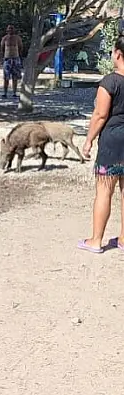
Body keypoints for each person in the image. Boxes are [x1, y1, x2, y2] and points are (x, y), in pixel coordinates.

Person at [80, 36, 124, 254]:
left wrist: (88, 140)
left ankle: (96, 240)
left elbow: (100, 114)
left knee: (104, 191)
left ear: (117, 54)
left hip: (113, 141)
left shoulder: (110, 82)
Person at [0, 24, 23, 99]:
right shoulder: (4, 38)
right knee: (6, 77)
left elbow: (20, 47)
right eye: (9, 29)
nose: (10, 30)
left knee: (15, 77)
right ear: (7, 30)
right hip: (7, 59)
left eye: (12, 29)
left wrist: (18, 56)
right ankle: (5, 93)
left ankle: (14, 93)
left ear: (14, 30)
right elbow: (2, 48)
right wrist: (4, 56)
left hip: (16, 58)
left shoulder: (17, 38)